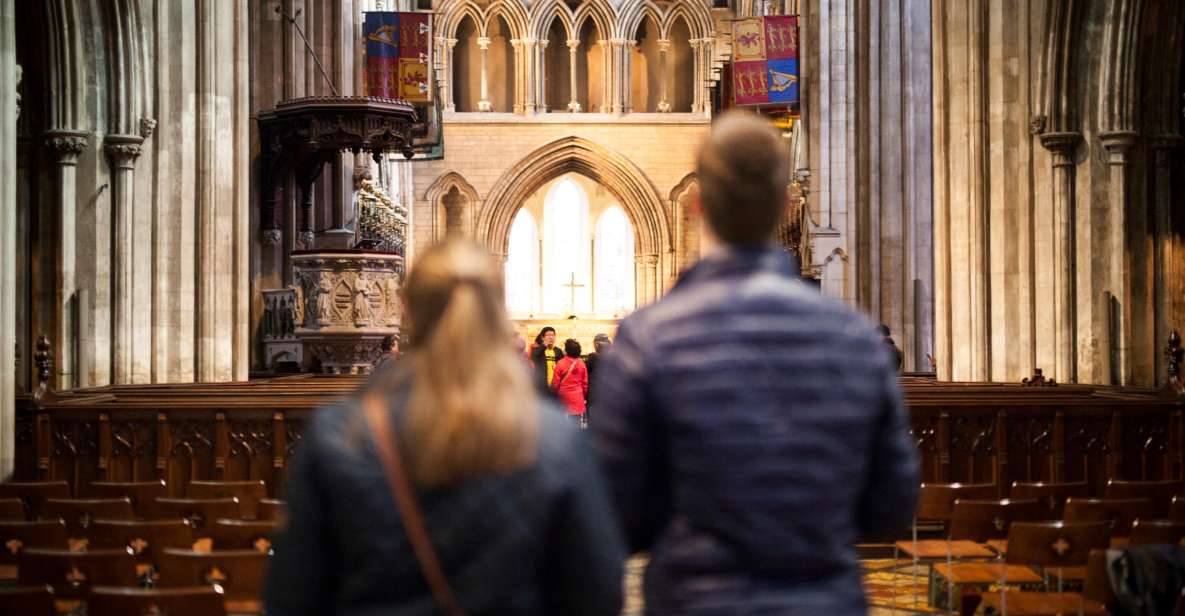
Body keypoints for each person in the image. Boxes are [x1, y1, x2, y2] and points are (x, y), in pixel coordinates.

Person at [590, 111, 919, 615]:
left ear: (698, 206)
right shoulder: (853, 338)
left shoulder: (648, 340)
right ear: (785, 205)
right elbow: (892, 506)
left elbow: (617, 509)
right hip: (823, 600)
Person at [265, 240, 625, 616]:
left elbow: (292, 596)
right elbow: (597, 591)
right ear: (498, 312)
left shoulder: (340, 434)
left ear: (406, 310)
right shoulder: (556, 439)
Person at [550, 338, 588, 420]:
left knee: (562, 423)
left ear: (566, 350)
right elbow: (585, 383)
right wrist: (583, 396)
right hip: (577, 397)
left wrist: (554, 394)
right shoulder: (582, 364)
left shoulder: (560, 363)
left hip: (563, 398)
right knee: (576, 424)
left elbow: (555, 383)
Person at [584, 333, 611, 417]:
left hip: (593, 394)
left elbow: (584, 371)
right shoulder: (612, 359)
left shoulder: (592, 358)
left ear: (596, 344)